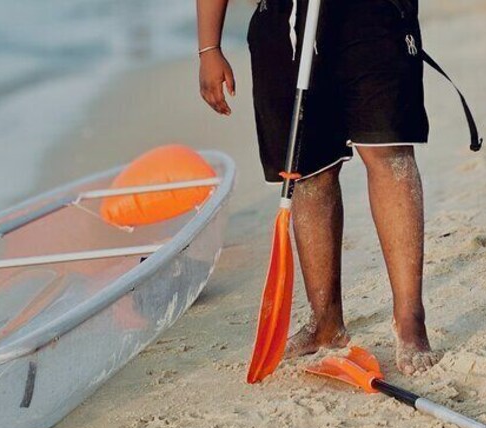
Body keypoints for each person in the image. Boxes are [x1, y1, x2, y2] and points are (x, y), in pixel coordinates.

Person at [196, 0, 469, 376]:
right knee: (309, 172)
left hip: (373, 15)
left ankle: (410, 320)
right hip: (283, 18)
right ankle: (325, 322)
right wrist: (209, 47)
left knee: (388, 152)